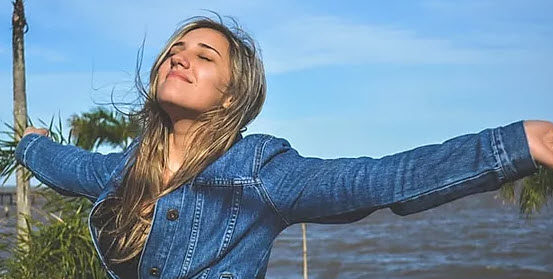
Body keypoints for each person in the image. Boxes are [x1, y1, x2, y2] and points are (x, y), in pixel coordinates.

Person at [16, 16, 553, 279]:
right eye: (174, 50)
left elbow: (378, 178)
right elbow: (67, 164)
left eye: (204, 56)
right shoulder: (124, 171)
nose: (179, 58)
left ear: (231, 97)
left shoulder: (261, 173)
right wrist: (31, 145)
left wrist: (518, 143)